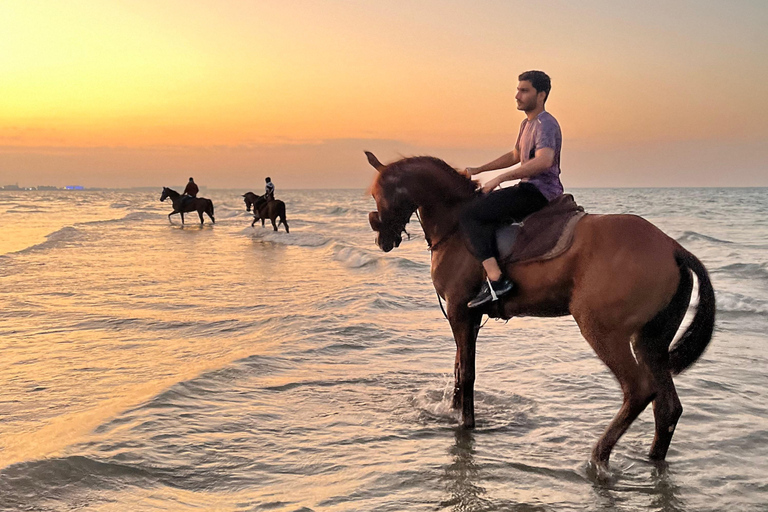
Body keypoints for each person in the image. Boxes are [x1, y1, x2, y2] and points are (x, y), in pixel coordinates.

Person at [460, 70, 563, 308]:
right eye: (518, 90)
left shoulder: (546, 123)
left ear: (541, 95)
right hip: (528, 187)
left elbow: (544, 160)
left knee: (469, 214)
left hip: (539, 191)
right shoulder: (527, 124)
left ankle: (497, 281)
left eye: (524, 90)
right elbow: (516, 154)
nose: (517, 95)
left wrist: (500, 179)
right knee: (479, 206)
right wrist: (479, 169)